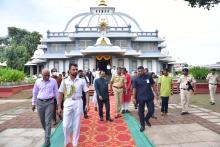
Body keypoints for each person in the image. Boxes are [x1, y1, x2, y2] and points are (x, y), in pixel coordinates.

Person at [57, 63, 89, 147]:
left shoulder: (81, 80)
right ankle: (67, 142)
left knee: (77, 124)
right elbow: (60, 93)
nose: (75, 71)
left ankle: (75, 143)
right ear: (69, 70)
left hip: (78, 102)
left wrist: (87, 104)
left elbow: (86, 92)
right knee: (65, 125)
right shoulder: (64, 81)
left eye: (76, 70)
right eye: (73, 69)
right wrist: (59, 107)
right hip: (68, 102)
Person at [32, 68, 58, 147]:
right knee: (42, 121)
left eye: (48, 75)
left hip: (50, 102)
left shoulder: (53, 81)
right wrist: (33, 103)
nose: (47, 77)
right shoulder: (37, 81)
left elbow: (56, 92)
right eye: (45, 75)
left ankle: (47, 141)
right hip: (40, 103)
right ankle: (47, 132)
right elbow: (35, 92)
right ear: (41, 74)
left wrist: (58, 104)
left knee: (48, 122)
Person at [132, 66, 159, 132]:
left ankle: (146, 119)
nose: (140, 72)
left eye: (141, 71)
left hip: (149, 96)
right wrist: (133, 98)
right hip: (140, 97)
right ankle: (142, 125)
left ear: (144, 70)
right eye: (139, 71)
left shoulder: (149, 76)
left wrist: (157, 93)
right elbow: (134, 89)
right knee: (140, 112)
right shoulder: (135, 79)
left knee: (151, 110)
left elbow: (153, 85)